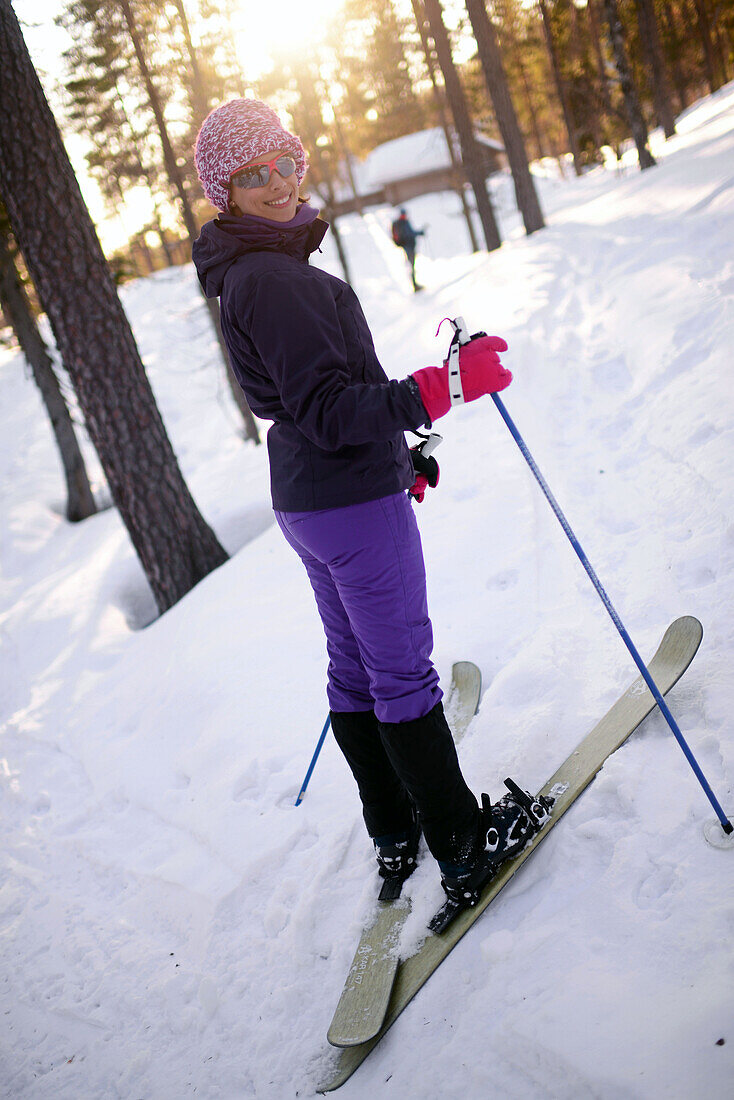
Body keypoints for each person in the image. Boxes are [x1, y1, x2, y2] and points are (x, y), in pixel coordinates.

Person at [192, 99, 547, 917]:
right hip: (347, 501)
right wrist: (443, 386)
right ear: (226, 191)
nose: (279, 182)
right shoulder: (274, 281)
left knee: (354, 665)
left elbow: (309, 408)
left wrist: (396, 457)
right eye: (254, 174)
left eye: (285, 160)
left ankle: (393, 826)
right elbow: (327, 409)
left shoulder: (248, 275)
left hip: (317, 502)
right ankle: (464, 845)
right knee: (399, 673)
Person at [391, 207, 424, 292]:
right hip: (409, 247)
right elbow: (410, 234)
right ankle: (415, 285)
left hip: (407, 247)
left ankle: (415, 284)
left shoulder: (401, 223)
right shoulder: (404, 223)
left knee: (412, 265)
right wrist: (419, 233)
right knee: (412, 266)